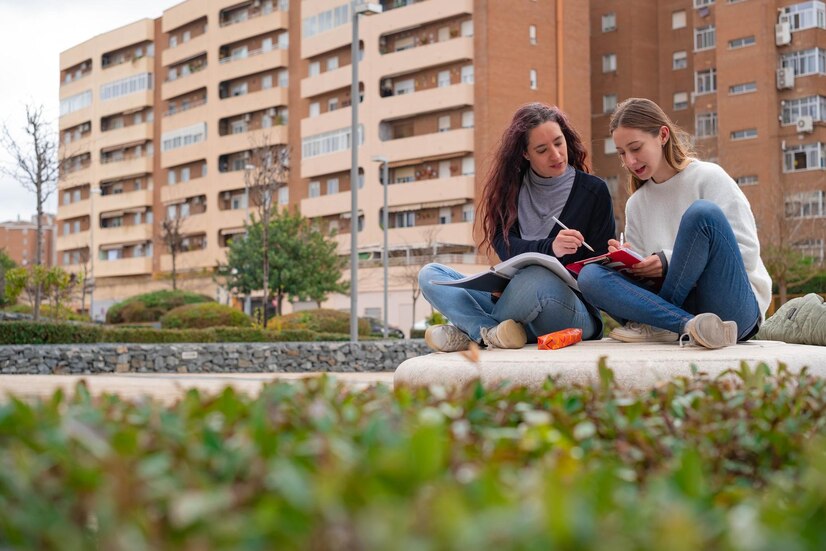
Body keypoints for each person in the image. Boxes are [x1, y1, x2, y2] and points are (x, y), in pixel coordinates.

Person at [418, 102, 616, 352]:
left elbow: (599, 267)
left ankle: (472, 332)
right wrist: (550, 247)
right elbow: (506, 248)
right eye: (542, 149)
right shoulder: (510, 191)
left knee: (535, 279)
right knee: (430, 275)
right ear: (525, 154)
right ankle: (489, 332)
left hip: (572, 310)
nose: (555, 155)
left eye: (558, 142)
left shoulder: (593, 191)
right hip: (515, 300)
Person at [577, 98, 772, 349]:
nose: (630, 161)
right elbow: (647, 281)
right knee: (590, 276)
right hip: (681, 315)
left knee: (702, 215)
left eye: (636, 148)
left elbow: (745, 253)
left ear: (663, 135)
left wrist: (668, 261)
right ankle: (684, 325)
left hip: (731, 310)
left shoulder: (708, 177)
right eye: (622, 153)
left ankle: (661, 325)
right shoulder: (636, 203)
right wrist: (628, 263)